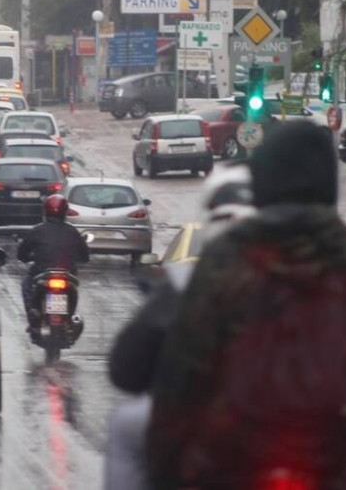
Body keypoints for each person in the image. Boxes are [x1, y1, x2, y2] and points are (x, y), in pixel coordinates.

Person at [146, 121, 346, 490]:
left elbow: (185, 367)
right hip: (333, 454)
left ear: (264, 180)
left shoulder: (226, 256)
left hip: (233, 454)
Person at [105, 163, 255, 490]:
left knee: (125, 427)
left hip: (211, 421)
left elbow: (126, 370)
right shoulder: (314, 274)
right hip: (301, 424)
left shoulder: (186, 282)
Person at [17, 194, 89, 332]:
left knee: (26, 285)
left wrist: (25, 257)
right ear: (65, 211)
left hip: (41, 272)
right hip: (67, 273)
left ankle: (33, 316)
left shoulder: (37, 230)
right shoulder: (72, 231)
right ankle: (69, 316)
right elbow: (85, 255)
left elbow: (22, 253)